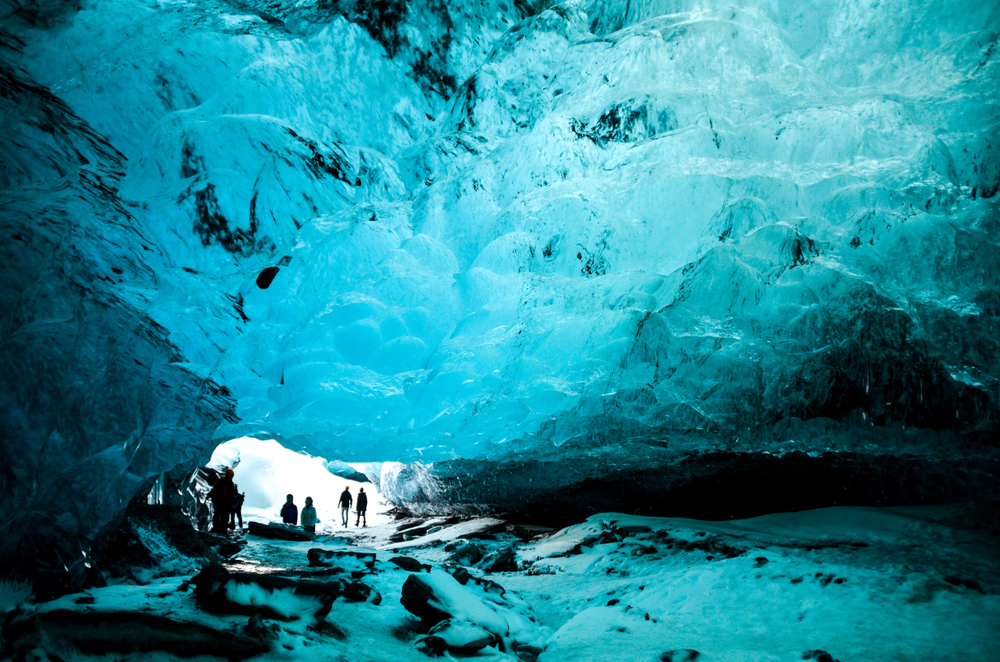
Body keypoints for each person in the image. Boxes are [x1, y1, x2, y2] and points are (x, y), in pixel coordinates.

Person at [207, 469, 235, 533]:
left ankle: (222, 529)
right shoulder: (223, 482)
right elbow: (214, 490)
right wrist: (208, 496)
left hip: (224, 502)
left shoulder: (229, 483)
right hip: (220, 501)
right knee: (219, 515)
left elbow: (214, 490)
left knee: (223, 516)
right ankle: (218, 528)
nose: (230, 478)